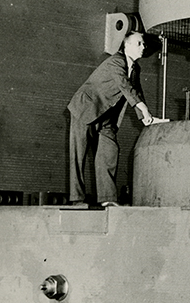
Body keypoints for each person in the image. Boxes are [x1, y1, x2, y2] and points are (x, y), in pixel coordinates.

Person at [67, 31, 157, 207]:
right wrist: (143, 109)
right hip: (86, 110)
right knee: (78, 156)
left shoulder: (136, 69)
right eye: (139, 43)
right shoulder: (116, 62)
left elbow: (137, 93)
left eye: (143, 44)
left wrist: (146, 118)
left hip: (107, 117)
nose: (143, 47)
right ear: (127, 46)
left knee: (109, 152)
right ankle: (77, 199)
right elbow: (125, 87)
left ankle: (107, 198)